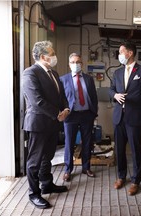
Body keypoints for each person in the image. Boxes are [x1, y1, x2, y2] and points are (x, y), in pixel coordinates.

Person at [108, 41, 141, 196]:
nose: (119, 55)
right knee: (119, 149)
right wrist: (115, 95)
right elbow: (111, 90)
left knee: (135, 150)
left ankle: (135, 181)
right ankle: (121, 177)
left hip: (134, 118)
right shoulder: (117, 73)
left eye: (121, 52)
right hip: (119, 117)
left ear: (130, 53)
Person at [22, 41, 70, 209]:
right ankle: (34, 194)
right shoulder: (30, 73)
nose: (54, 56)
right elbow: (37, 101)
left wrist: (66, 108)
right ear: (43, 56)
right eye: (52, 53)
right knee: (34, 161)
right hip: (38, 124)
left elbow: (61, 95)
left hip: (52, 123)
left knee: (47, 157)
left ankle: (47, 184)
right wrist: (58, 114)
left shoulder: (54, 73)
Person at [60, 53, 98, 182]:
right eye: (73, 62)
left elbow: (93, 97)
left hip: (87, 114)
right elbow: (62, 99)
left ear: (82, 64)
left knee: (87, 142)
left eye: (78, 62)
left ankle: (86, 167)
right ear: (69, 64)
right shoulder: (63, 79)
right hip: (71, 116)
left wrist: (94, 113)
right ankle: (68, 170)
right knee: (69, 143)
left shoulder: (88, 79)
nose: (76, 64)